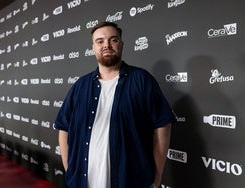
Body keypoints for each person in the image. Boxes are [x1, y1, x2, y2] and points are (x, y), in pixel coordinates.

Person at [54, 21, 176, 188]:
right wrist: (70, 169)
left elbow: (163, 125)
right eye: (100, 41)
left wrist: (156, 174)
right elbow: (64, 128)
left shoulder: (141, 80)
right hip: (82, 182)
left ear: (121, 44)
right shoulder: (80, 86)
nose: (107, 45)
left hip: (131, 181)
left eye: (113, 40)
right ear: (93, 47)